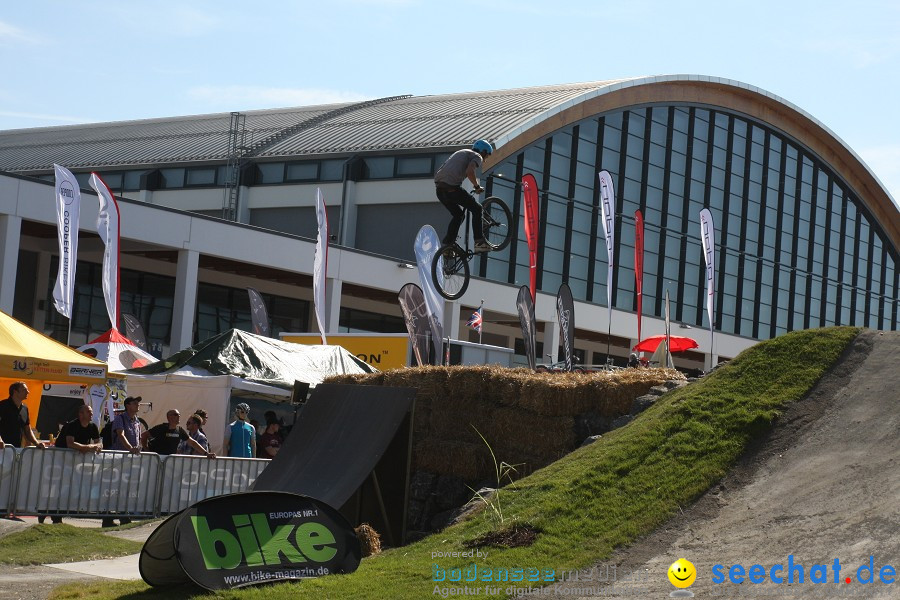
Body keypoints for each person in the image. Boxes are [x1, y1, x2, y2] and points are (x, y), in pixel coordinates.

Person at [434, 139, 494, 252]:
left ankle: (448, 246)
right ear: (484, 151)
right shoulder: (477, 156)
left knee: (458, 215)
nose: (485, 159)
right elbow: (470, 172)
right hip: (452, 189)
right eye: (487, 156)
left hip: (440, 190)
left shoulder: (461, 152)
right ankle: (479, 242)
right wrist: (477, 187)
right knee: (477, 209)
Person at [0, 382, 48, 449]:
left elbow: (27, 430)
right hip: (2, 449)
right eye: (24, 390)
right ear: (15, 392)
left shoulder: (25, 408)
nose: (28, 392)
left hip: (15, 449)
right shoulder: (2, 405)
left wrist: (37, 443)